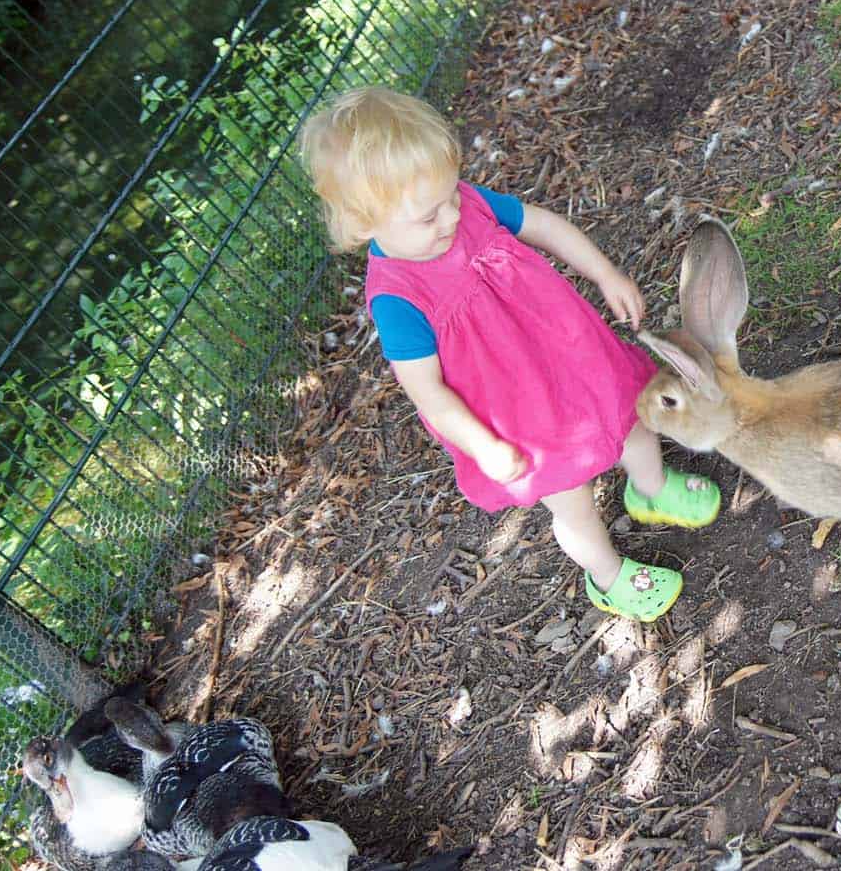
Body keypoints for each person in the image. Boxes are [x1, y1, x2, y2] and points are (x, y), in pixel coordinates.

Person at [298, 87, 719, 622]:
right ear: (364, 223)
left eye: (452, 195)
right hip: (519, 412)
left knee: (628, 410)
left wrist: (604, 272)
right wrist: (483, 444)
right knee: (571, 497)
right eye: (429, 216)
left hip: (571, 352)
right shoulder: (397, 298)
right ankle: (609, 578)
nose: (452, 216)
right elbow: (427, 391)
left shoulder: (464, 206)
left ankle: (652, 488)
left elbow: (540, 224)